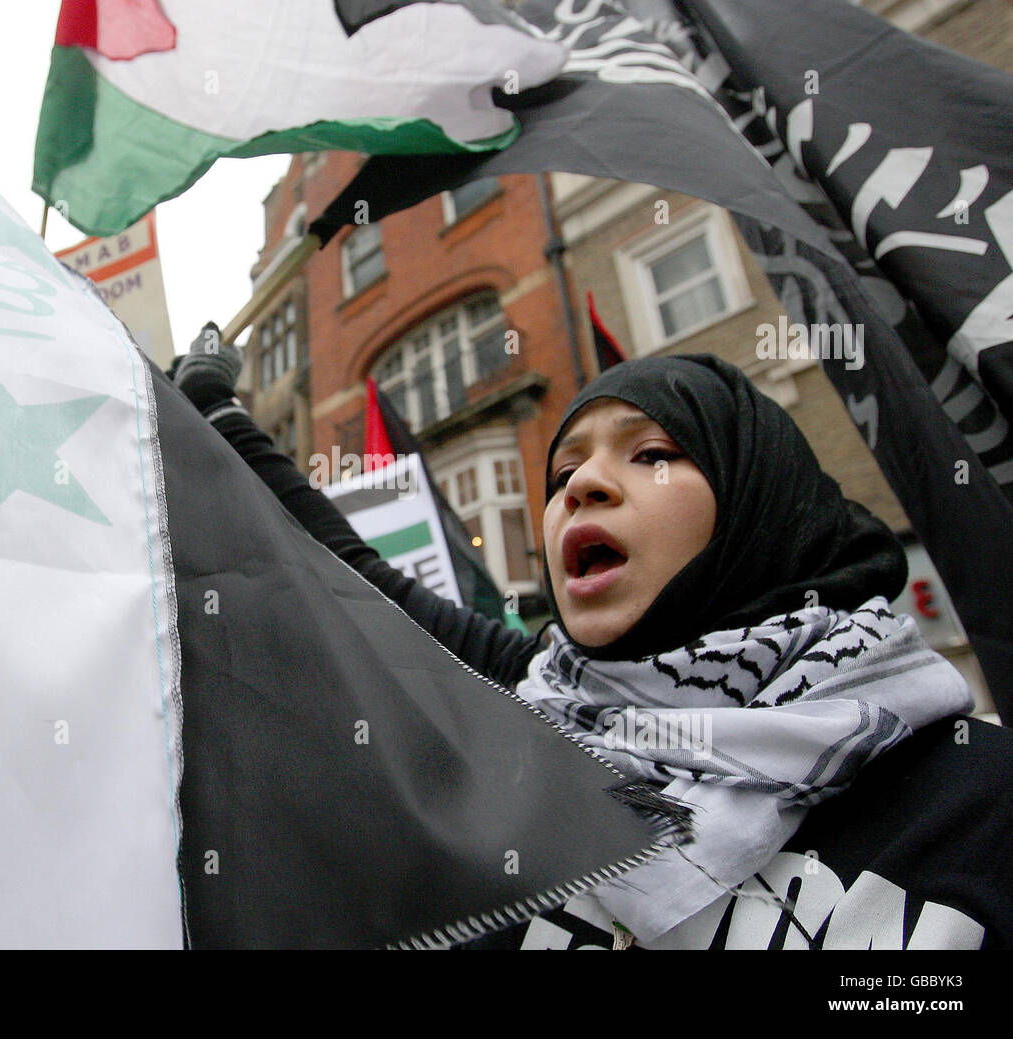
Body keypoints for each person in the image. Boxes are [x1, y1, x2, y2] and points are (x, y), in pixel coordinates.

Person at [171, 327, 1013, 950]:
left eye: (651, 452)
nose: (585, 487)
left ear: (759, 495)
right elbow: (333, 562)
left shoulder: (973, 793)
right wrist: (208, 406)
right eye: (563, 472)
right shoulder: (521, 703)